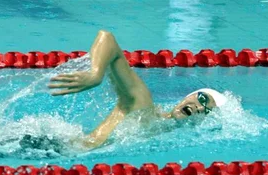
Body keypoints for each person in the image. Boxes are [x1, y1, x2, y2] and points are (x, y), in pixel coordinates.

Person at [48, 30, 228, 149]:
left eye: (207, 111)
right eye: (202, 99)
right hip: (63, 150)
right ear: (188, 97)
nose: (200, 107)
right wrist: (95, 74)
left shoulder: (162, 134)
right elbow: (107, 39)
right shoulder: (144, 105)